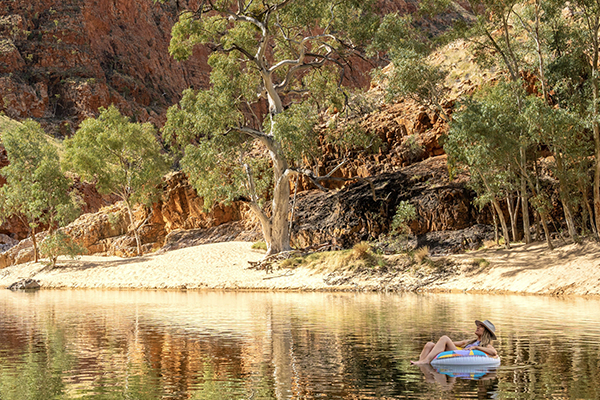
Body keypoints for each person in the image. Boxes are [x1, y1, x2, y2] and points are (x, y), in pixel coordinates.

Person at [410, 319, 498, 365]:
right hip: (457, 350)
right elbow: (453, 343)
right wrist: (440, 343)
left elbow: (494, 352)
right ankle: (421, 363)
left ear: (486, 332)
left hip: (461, 354)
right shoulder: (470, 341)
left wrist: (476, 347)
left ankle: (426, 361)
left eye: (481, 327)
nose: (478, 327)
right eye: (478, 326)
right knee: (429, 344)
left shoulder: (486, 345)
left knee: (444, 338)